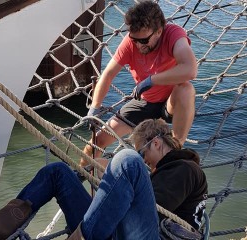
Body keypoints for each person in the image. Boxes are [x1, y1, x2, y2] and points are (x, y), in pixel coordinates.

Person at [0, 120, 207, 240]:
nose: (145, 159)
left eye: (143, 151)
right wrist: (110, 186)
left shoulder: (185, 169)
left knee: (127, 161)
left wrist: (114, 181)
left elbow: (144, 209)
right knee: (57, 172)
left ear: (157, 143)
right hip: (115, 232)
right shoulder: (163, 172)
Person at [81, 0, 197, 166]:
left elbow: (190, 70)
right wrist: (94, 107)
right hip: (145, 102)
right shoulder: (131, 42)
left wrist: (151, 80)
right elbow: (107, 75)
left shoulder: (173, 34)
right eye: (133, 39)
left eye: (143, 41)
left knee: (186, 89)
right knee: (94, 143)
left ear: (159, 31)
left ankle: (175, 154)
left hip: (170, 103)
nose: (137, 45)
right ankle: (80, 178)